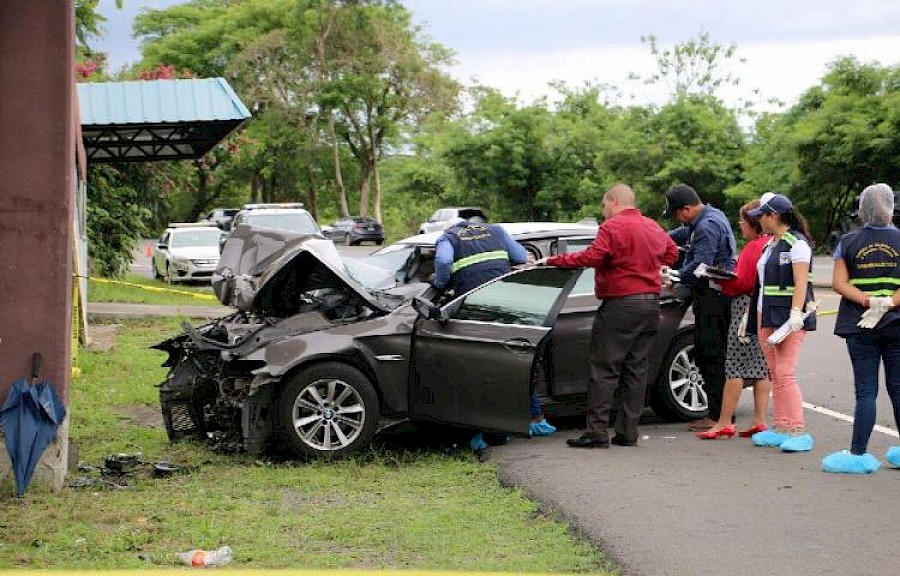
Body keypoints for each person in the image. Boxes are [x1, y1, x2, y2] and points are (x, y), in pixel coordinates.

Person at [539, 183, 678, 448]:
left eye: (604, 206)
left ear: (613, 201)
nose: (603, 212)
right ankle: (628, 432)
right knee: (636, 369)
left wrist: (552, 261)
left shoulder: (612, 228)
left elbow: (593, 256)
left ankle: (596, 432)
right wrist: (649, 265)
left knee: (604, 367)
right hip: (651, 304)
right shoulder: (652, 226)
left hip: (620, 305)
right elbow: (672, 252)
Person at [432, 218, 556, 448]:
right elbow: (520, 257)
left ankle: (493, 431)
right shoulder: (496, 231)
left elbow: (443, 260)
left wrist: (439, 282)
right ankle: (536, 420)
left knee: (483, 370)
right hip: (507, 306)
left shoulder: (448, 238)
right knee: (517, 366)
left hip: (477, 310)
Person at [822, 183, 900, 474]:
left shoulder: (848, 241)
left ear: (863, 208)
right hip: (897, 323)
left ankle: (858, 453)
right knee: (899, 388)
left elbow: (838, 283)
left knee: (866, 391)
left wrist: (869, 301)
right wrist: (889, 302)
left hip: (860, 325)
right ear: (891, 207)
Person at [745, 193, 817, 452]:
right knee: (774, 372)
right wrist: (752, 317)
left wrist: (796, 313)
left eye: (761, 217)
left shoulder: (797, 244)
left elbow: (801, 283)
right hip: (767, 314)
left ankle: (797, 428)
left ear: (773, 216)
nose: (759, 222)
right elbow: (761, 285)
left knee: (785, 371)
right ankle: (781, 425)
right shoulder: (769, 245)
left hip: (788, 318)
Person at [664, 184, 737, 431]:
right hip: (714, 297)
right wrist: (658, 238)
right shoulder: (708, 217)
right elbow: (683, 234)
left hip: (713, 298)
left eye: (677, 213)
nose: (678, 219)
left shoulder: (706, 226)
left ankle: (717, 415)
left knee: (710, 354)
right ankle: (719, 412)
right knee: (712, 354)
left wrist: (674, 276)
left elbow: (699, 267)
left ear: (687, 208)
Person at [696, 200, 771, 439]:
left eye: (742, 221)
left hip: (744, 308)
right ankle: (759, 420)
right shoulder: (772, 244)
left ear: (753, 223)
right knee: (761, 368)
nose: (740, 226)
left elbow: (743, 282)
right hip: (764, 308)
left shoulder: (752, 248)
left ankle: (725, 421)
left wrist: (722, 280)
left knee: (734, 366)